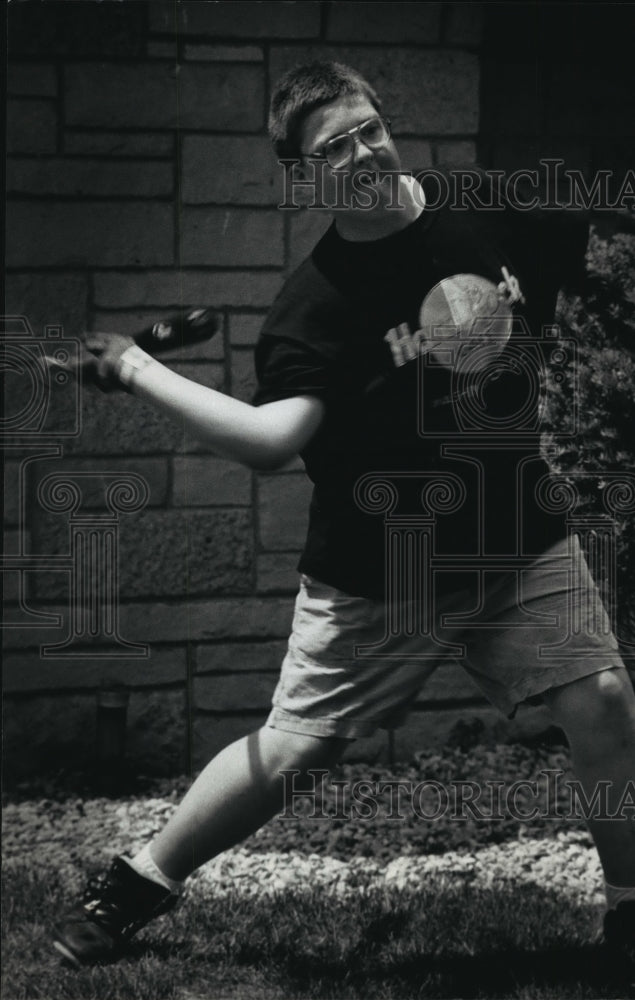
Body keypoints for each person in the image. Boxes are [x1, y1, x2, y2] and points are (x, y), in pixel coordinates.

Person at [52, 61, 635, 974]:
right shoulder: (313, 309)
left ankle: (629, 916)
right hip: (382, 562)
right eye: (334, 146)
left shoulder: (486, 208)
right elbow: (270, 441)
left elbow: (592, 248)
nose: (361, 152)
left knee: (600, 700)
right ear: (301, 174)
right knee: (294, 750)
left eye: (369, 128)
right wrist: (138, 370)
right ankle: (133, 883)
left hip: (510, 529)